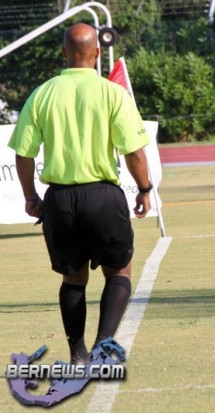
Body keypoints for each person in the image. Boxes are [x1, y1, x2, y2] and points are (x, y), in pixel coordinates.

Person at [8, 23, 152, 364]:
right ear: (98, 52)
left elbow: (24, 154)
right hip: (103, 196)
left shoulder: (42, 94)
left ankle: (77, 353)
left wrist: (30, 197)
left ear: (63, 52)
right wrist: (144, 189)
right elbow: (133, 151)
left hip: (59, 200)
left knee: (73, 278)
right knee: (119, 271)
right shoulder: (113, 93)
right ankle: (103, 347)